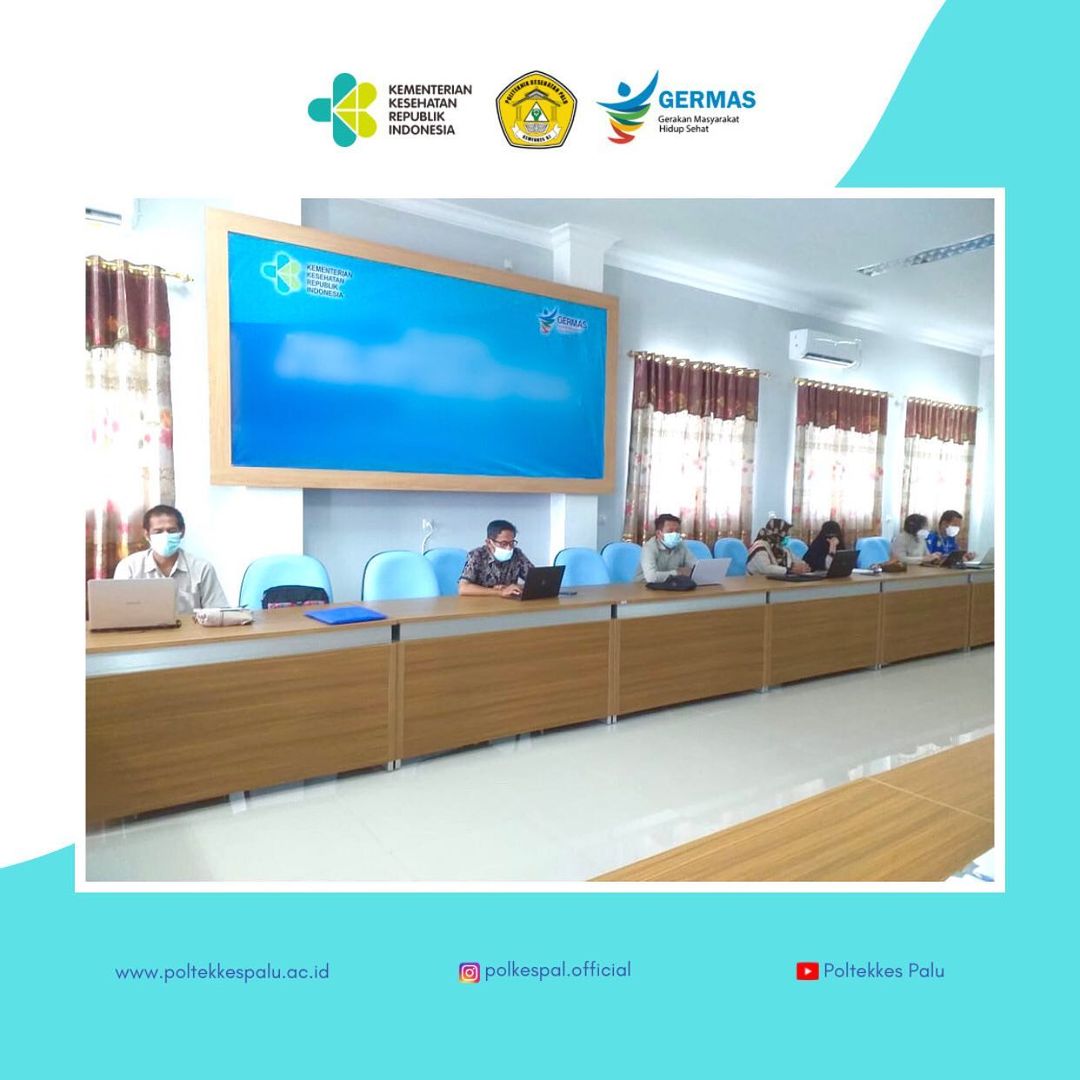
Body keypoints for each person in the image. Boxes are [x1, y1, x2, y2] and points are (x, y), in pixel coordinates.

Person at [113, 504, 229, 613]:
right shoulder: (129, 567)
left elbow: (218, 612)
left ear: (182, 532)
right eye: (158, 531)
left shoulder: (202, 568)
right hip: (142, 628)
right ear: (147, 535)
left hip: (190, 628)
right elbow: (118, 611)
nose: (165, 536)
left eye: (171, 531)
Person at [459, 519, 536, 598]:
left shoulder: (517, 554)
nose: (509, 548)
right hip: (479, 602)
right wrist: (500, 592)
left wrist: (516, 587)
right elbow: (463, 588)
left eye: (512, 543)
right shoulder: (477, 555)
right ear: (489, 542)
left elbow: (536, 580)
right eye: (503, 543)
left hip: (508, 602)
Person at [634, 513, 697, 583]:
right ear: (658, 533)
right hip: (644, 586)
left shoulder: (681, 545)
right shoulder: (649, 548)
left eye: (677, 531)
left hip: (670, 584)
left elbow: (695, 567)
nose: (675, 534)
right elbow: (651, 578)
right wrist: (678, 573)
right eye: (670, 531)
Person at [746, 517, 812, 577]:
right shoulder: (759, 547)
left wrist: (804, 567)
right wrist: (790, 570)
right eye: (785, 535)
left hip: (775, 583)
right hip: (756, 583)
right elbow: (765, 569)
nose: (787, 537)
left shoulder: (783, 549)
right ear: (777, 534)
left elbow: (796, 561)